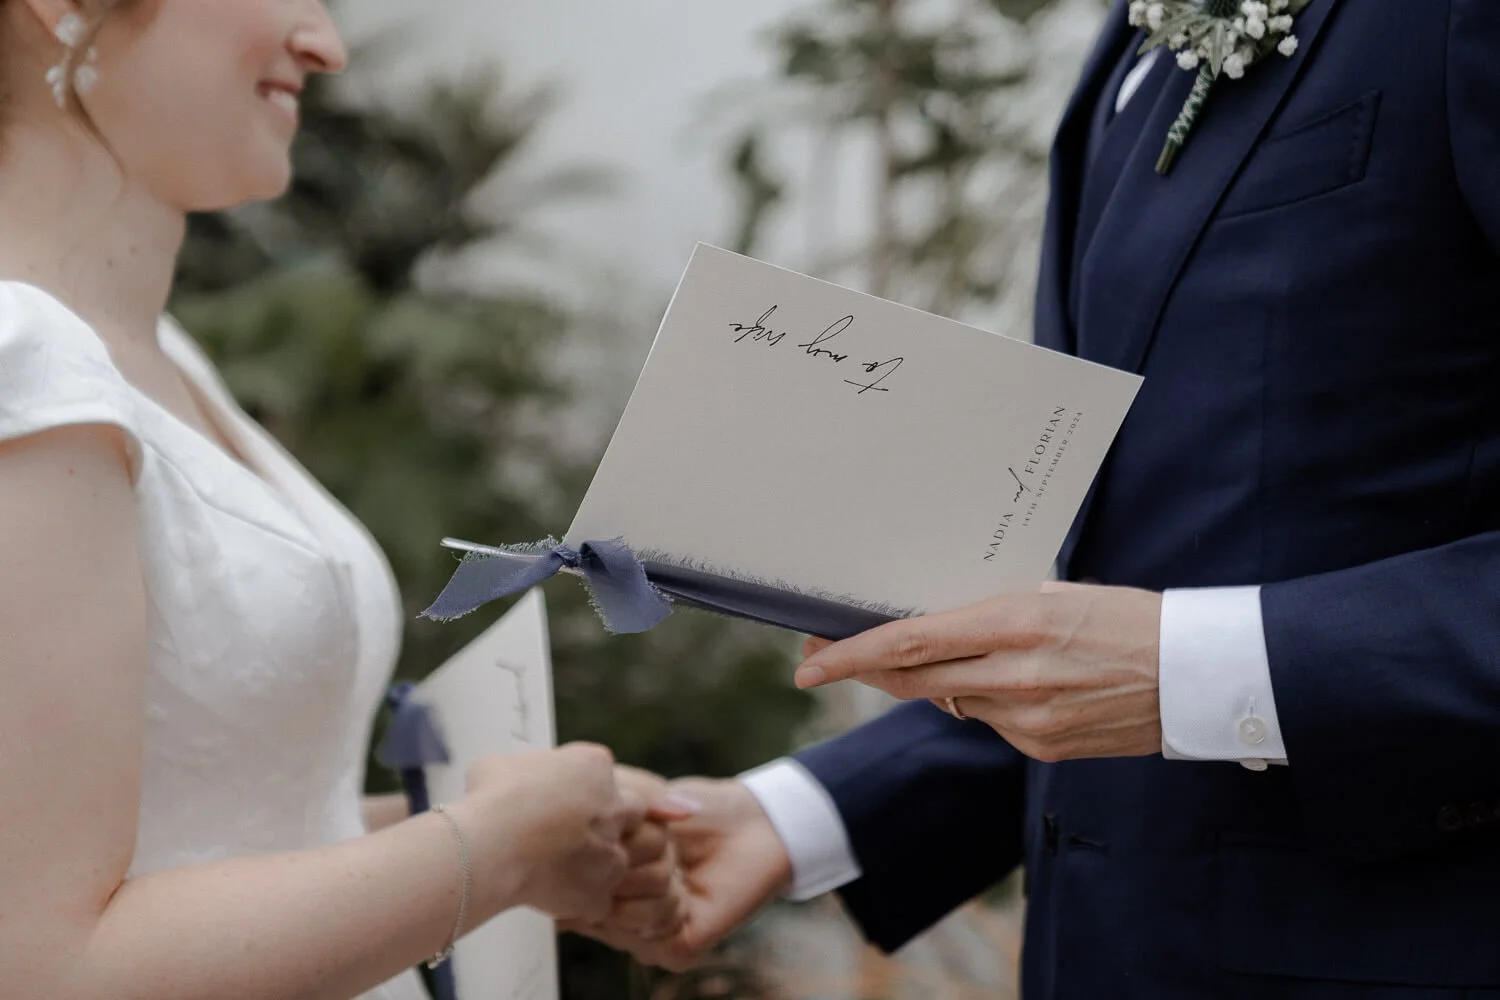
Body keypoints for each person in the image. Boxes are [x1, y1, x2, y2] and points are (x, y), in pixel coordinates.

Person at [582, 1, 1500, 996]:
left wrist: (1177, 664)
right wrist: (800, 814)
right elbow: (1123, 582)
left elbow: (1161, 653)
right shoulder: (1135, 38)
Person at [0, 2, 688, 998]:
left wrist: (550, 824)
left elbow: (231, 828)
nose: (326, 46)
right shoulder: (25, 364)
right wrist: (496, 846)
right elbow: (44, 965)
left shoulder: (156, 351)